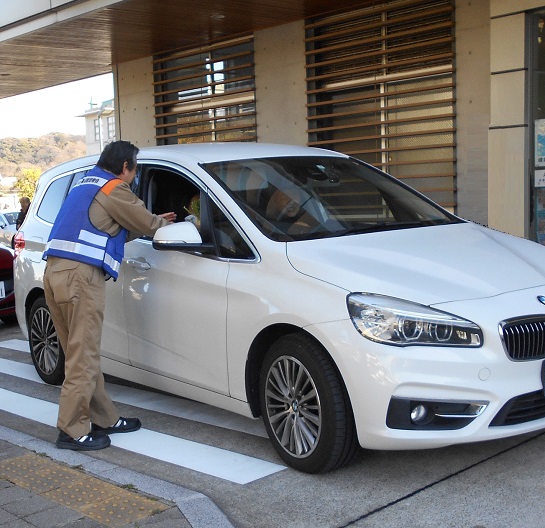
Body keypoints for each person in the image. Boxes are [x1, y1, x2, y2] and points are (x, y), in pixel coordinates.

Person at [43, 140, 176, 451]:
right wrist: (161, 223)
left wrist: (144, 225)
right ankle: (72, 431)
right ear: (125, 167)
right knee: (83, 357)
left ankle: (104, 417)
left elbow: (110, 228)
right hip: (80, 279)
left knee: (80, 354)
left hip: (55, 274)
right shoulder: (113, 188)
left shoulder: (85, 184)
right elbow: (144, 222)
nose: (134, 177)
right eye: (135, 170)